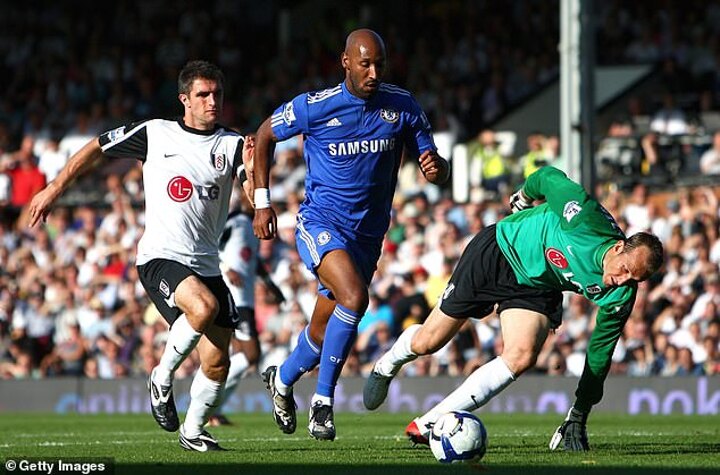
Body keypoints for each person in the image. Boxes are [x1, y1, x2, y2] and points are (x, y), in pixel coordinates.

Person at [28, 60, 253, 451]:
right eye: (202, 94)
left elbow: (250, 191)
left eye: (217, 94)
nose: (212, 101)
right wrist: (54, 188)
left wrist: (257, 177)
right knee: (203, 307)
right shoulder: (155, 133)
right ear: (184, 99)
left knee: (219, 361)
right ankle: (161, 377)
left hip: (206, 263)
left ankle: (193, 431)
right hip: (160, 256)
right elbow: (96, 147)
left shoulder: (231, 144)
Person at [363, 166, 664, 451]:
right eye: (625, 270)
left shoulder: (621, 294)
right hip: (501, 250)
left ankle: (430, 423)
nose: (623, 280)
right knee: (428, 342)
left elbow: (600, 354)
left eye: (634, 279)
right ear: (617, 247)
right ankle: (387, 364)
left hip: (538, 284)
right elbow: (548, 176)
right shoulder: (584, 217)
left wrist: (579, 413)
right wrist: (524, 195)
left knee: (522, 356)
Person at [250, 28, 449, 441]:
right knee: (355, 298)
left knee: (322, 331)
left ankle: (282, 380)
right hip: (321, 223)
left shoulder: (402, 106)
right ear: (346, 63)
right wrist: (262, 202)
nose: (374, 72)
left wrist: (437, 168)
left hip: (367, 237)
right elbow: (265, 134)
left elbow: (433, 163)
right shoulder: (315, 107)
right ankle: (323, 403)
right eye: (365, 64)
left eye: (380, 64)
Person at [208, 185, 284, 426]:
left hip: (246, 297)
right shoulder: (234, 221)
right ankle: (210, 406)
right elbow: (209, 245)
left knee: (239, 355)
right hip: (235, 296)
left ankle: (214, 409)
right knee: (252, 354)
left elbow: (253, 260)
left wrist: (270, 284)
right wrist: (226, 268)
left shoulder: (253, 226)